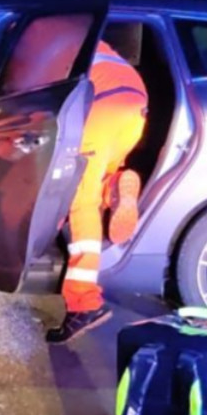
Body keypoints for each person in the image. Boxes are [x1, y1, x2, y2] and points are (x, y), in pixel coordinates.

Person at [47, 28, 148, 344]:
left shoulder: (54, 42)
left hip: (101, 106)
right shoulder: (95, 44)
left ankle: (84, 302)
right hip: (135, 101)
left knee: (81, 200)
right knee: (101, 171)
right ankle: (115, 186)